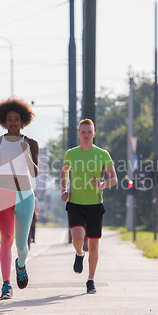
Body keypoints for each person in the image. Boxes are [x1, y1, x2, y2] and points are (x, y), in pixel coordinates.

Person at [0, 97, 39, 300]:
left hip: (25, 197)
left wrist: (27, 156)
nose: (13, 122)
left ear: (22, 120)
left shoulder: (30, 143)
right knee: (7, 238)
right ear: (3, 121)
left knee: (22, 246)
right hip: (3, 195)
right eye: (9, 119)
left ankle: (20, 266)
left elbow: (34, 173)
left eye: (16, 119)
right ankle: (6, 285)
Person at [60, 118, 118, 294]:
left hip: (95, 205)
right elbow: (64, 171)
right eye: (83, 132)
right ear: (79, 134)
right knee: (78, 238)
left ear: (94, 134)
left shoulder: (103, 154)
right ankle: (79, 254)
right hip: (75, 202)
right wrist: (64, 189)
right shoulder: (71, 153)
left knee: (93, 245)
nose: (86, 135)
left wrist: (102, 184)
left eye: (89, 132)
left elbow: (114, 179)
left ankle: (90, 280)